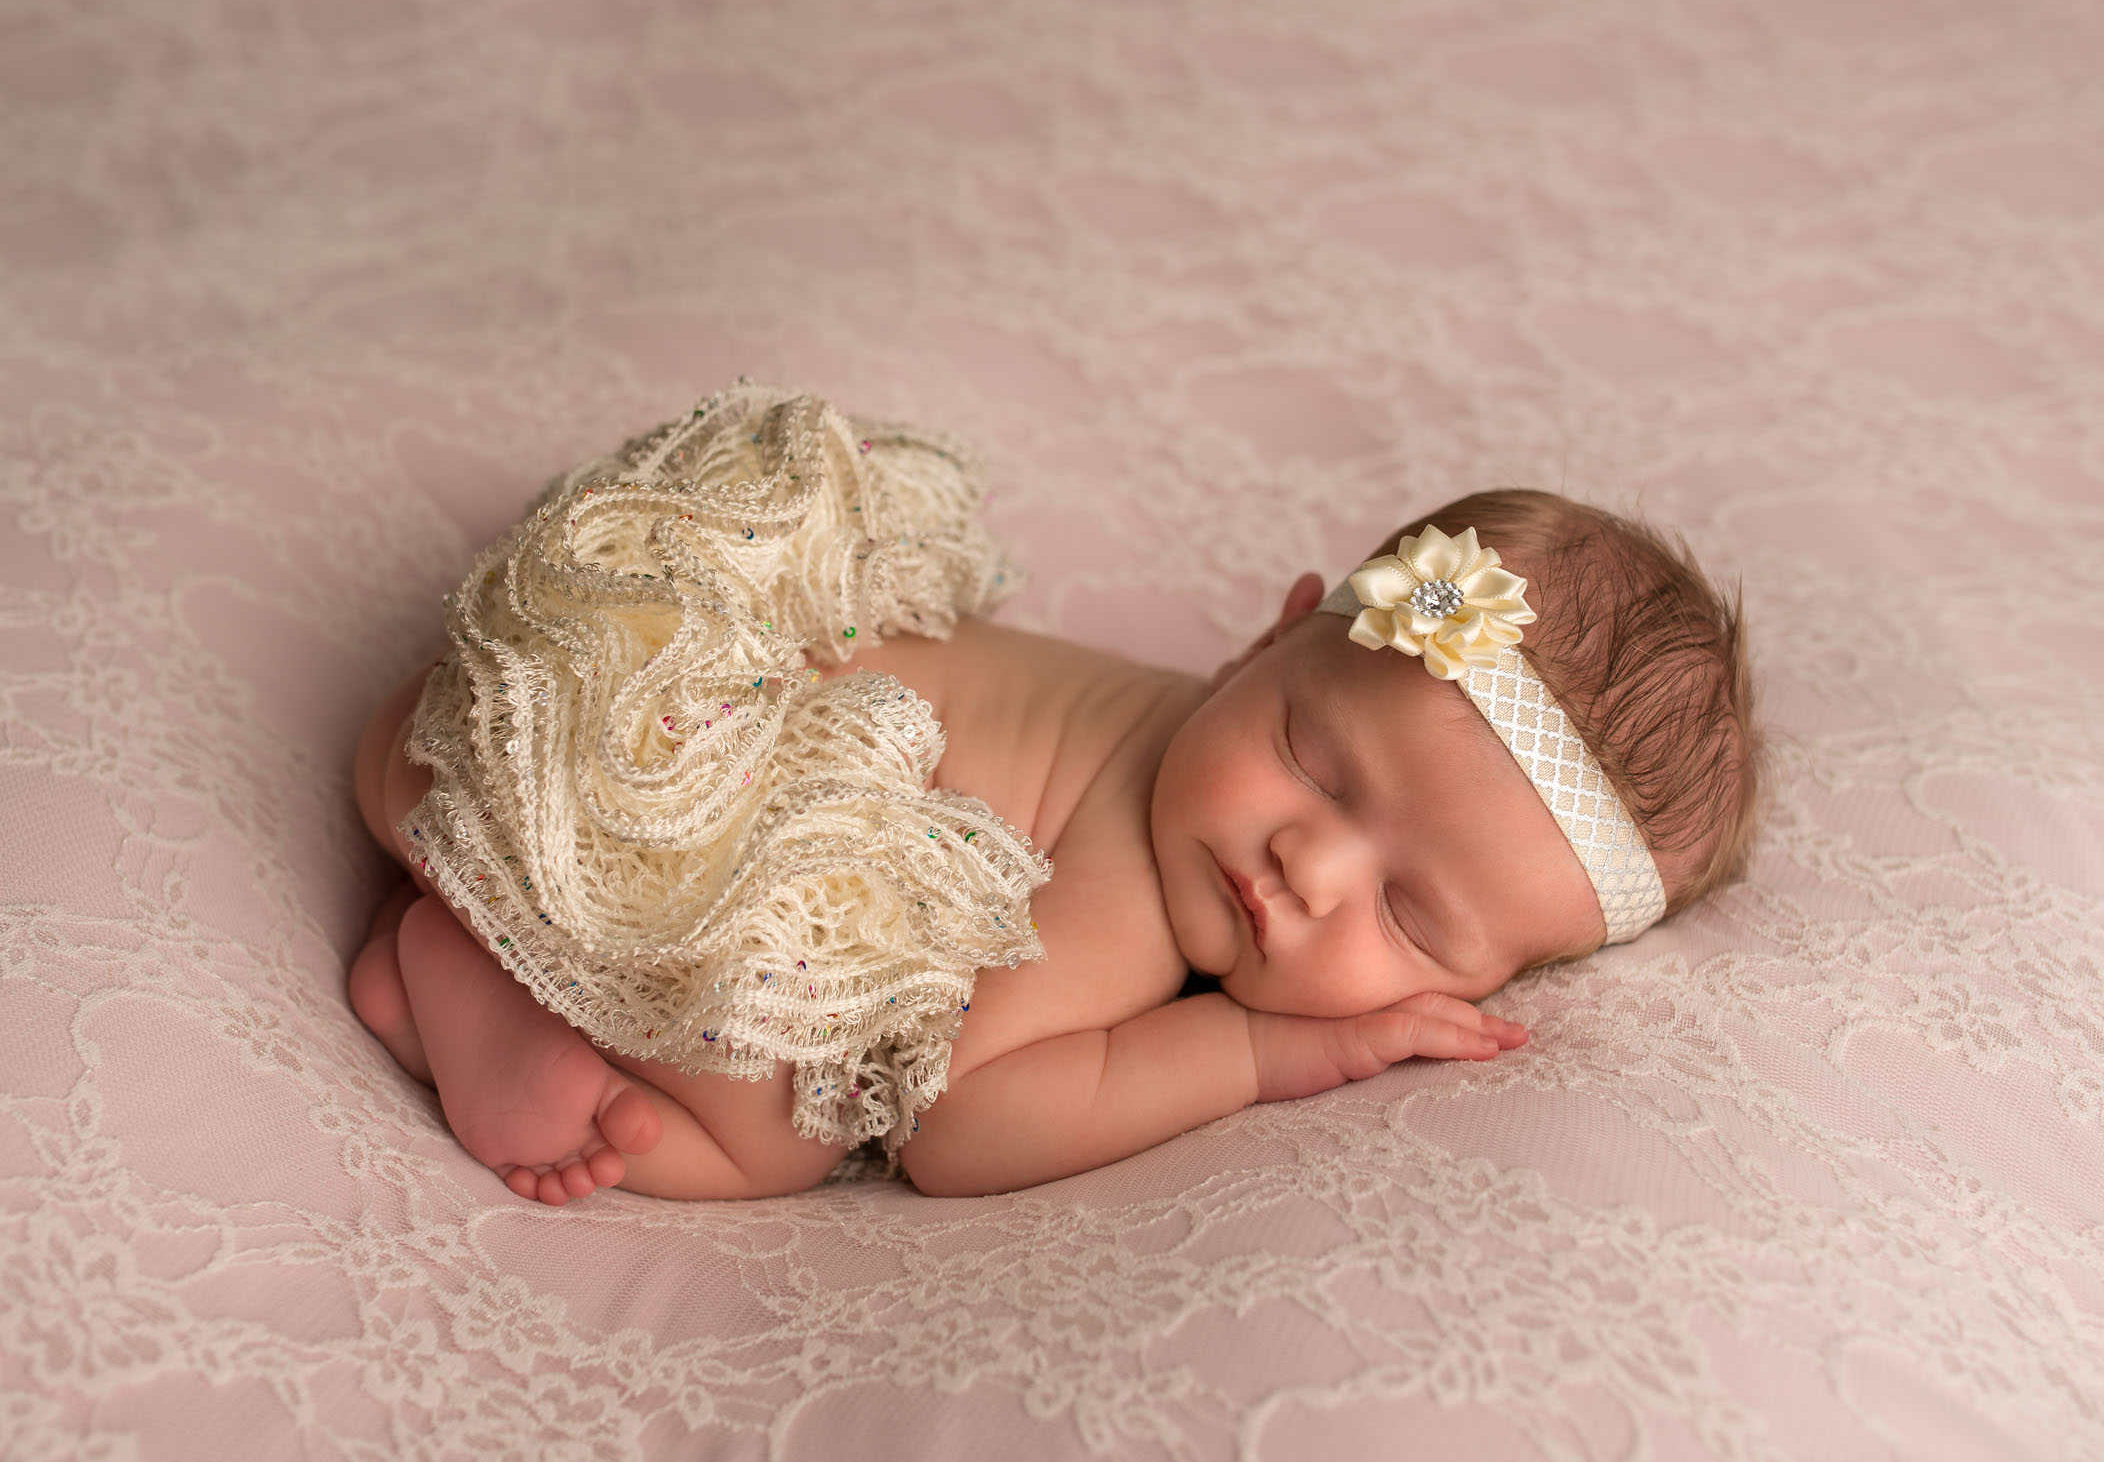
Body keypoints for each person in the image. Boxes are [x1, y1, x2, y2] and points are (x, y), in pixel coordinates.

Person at [348, 385, 1764, 1203]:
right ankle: (462, 975)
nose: (1304, 865)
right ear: (1268, 636)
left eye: (1409, 912)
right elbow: (962, 1122)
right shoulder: (1139, 891)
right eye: (1311, 759)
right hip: (619, 796)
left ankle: (451, 908)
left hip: (541, 684)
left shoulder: (1167, 715)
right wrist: (1271, 1056)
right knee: (794, 1124)